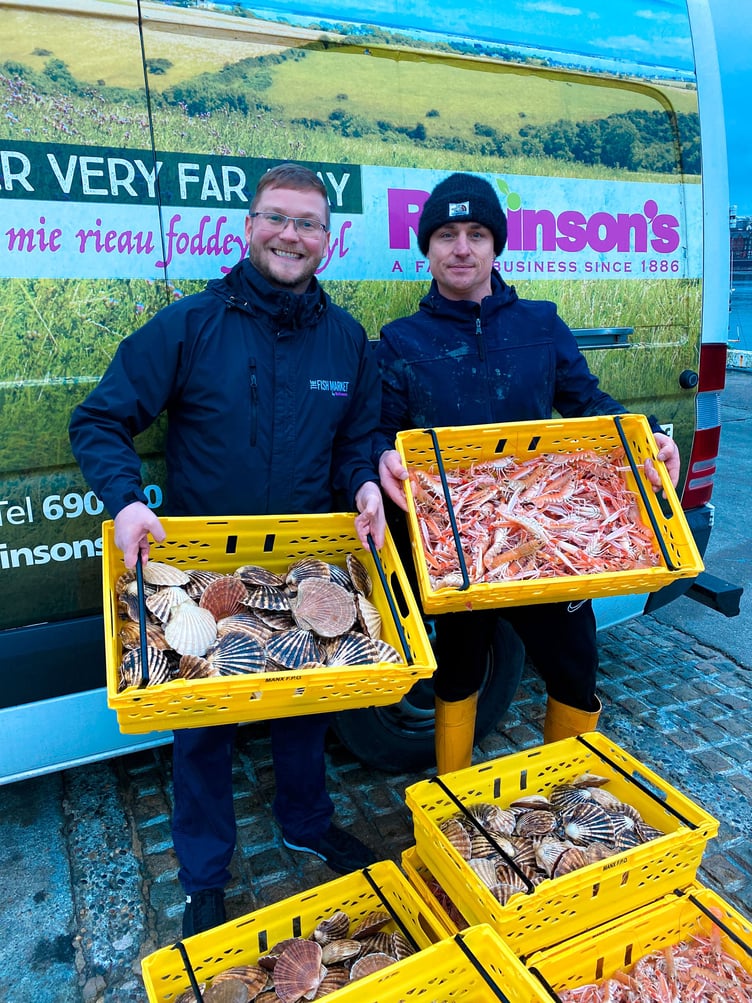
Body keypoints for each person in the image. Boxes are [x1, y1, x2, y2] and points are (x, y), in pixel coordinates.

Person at [69, 163, 385, 937]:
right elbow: (99, 419)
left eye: (308, 222)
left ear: (329, 238)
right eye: (277, 217)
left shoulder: (347, 340)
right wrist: (127, 497)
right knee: (202, 723)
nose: (291, 234)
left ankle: (307, 821)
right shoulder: (190, 326)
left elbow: (354, 445)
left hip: (300, 569)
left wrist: (364, 486)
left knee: (304, 706)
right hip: (207, 574)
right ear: (248, 227)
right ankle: (205, 874)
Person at [374, 172, 680, 775]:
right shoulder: (401, 341)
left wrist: (646, 441)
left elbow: (589, 402)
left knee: (573, 666)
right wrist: (382, 452)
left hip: (544, 541)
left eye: (477, 233)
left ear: (496, 245)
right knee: (458, 671)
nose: (461, 248)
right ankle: (456, 793)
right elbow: (380, 430)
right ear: (427, 249)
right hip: (456, 550)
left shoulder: (541, 324)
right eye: (446, 235)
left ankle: (565, 799)